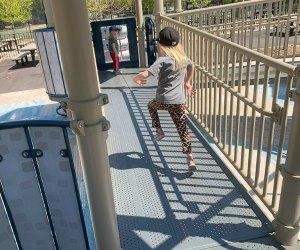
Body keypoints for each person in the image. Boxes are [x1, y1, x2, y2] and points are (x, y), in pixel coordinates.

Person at [133, 27, 196, 171]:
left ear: (160, 44)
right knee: (182, 129)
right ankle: (190, 158)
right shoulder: (184, 59)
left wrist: (135, 78)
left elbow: (145, 74)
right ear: (178, 44)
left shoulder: (162, 60)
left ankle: (159, 131)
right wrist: (187, 82)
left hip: (162, 100)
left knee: (151, 105)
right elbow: (192, 66)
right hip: (179, 102)